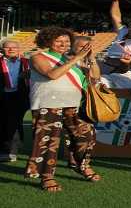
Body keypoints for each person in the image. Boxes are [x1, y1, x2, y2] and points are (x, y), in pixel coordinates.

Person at [25, 27, 102, 192]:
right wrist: (76, 59)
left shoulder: (72, 59)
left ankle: (81, 165)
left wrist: (91, 58)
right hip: (48, 105)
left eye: (67, 41)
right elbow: (52, 74)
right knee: (48, 143)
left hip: (74, 105)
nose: (64, 44)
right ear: (48, 41)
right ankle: (47, 177)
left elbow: (95, 77)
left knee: (86, 135)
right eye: (59, 40)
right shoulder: (38, 57)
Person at [0, 40, 30, 163]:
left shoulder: (27, 63)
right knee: (2, 122)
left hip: (20, 97)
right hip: (2, 96)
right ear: (2, 50)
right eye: (8, 48)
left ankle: (12, 151)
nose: (11, 50)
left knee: (15, 123)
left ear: (19, 49)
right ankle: (5, 149)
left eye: (14, 47)